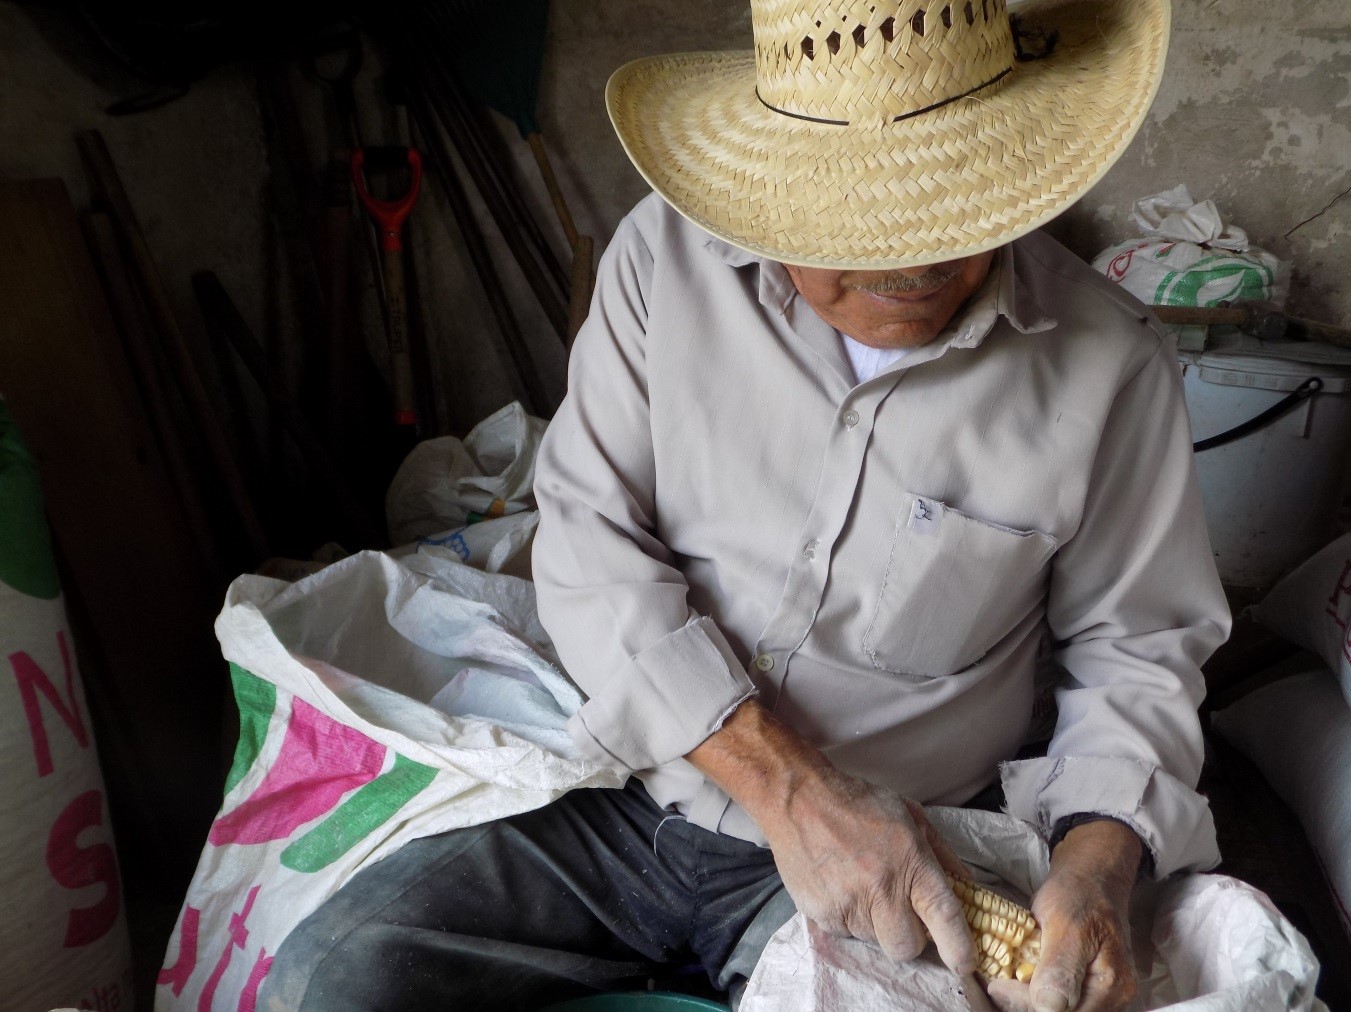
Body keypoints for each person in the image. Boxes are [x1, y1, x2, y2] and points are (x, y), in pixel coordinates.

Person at [260, 1, 1229, 1010]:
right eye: (858, 221)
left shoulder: (1108, 361)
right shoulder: (663, 261)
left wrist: (1097, 863)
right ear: (773, 187)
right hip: (630, 786)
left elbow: (1137, 648)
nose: (914, 263)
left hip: (903, 848)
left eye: (953, 213)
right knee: (331, 979)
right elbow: (590, 537)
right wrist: (791, 790)